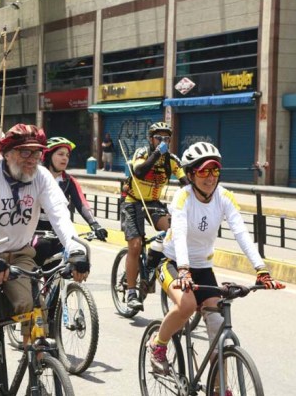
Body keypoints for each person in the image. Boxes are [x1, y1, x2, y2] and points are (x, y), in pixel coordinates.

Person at [0, 124, 90, 395]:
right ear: (6, 153)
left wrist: (75, 249)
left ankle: (37, 362)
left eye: (37, 153)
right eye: (23, 153)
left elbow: (59, 216)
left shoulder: (42, 177)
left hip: (20, 253)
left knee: (33, 308)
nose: (31, 159)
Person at [148, 141, 285, 379]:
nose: (210, 178)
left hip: (203, 267)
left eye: (215, 171)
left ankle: (218, 385)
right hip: (172, 263)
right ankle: (158, 345)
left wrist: (261, 269)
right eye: (203, 172)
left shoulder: (224, 197)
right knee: (187, 306)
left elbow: (241, 232)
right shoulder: (183, 197)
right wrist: (182, 269)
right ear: (191, 174)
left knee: (217, 324)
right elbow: (179, 234)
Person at [121, 122, 188, 310]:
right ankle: (131, 293)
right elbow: (139, 172)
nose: (163, 141)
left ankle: (151, 263)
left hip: (153, 203)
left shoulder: (172, 160)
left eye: (167, 139)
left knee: (173, 232)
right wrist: (157, 152)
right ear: (151, 139)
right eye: (159, 138)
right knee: (135, 245)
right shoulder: (142, 153)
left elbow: (186, 183)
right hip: (133, 200)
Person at [33, 136, 108, 268]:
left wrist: (95, 224)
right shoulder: (36, 178)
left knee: (70, 262)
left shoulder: (68, 181)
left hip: (58, 232)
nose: (65, 158)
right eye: (60, 154)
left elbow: (81, 203)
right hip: (36, 233)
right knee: (42, 249)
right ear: (48, 156)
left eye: (67, 155)